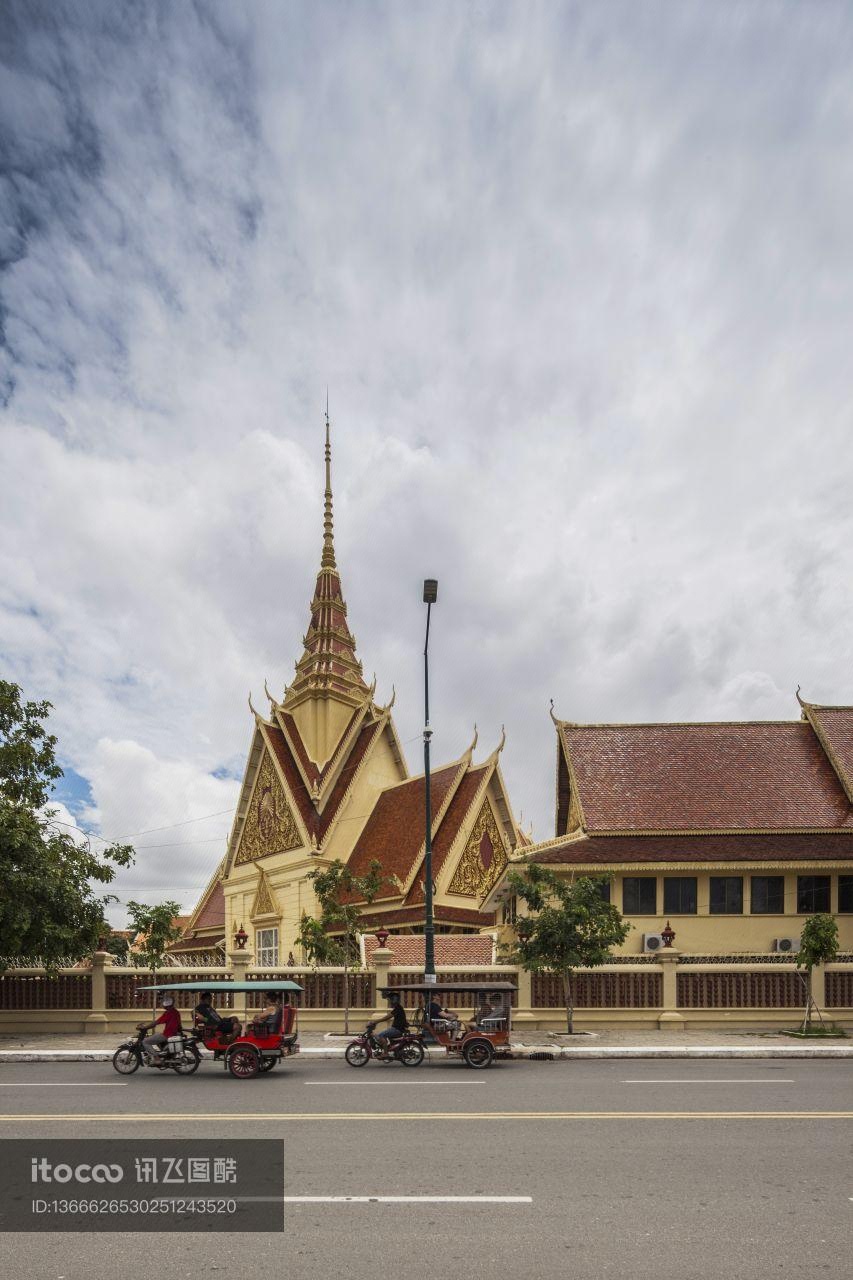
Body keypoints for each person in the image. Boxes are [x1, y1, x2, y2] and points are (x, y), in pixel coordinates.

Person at [140, 995, 182, 1061]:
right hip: (174, 1033)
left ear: (167, 1005)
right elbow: (179, 1024)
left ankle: (156, 1058)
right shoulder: (176, 1012)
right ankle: (164, 1054)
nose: (163, 1006)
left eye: (164, 1005)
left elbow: (156, 1022)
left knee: (145, 1042)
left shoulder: (168, 1013)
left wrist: (145, 1027)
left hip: (168, 1035)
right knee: (156, 1036)